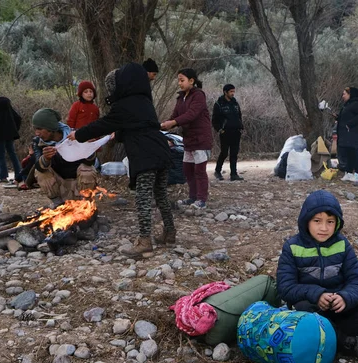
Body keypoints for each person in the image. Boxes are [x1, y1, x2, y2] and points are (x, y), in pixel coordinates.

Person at [70, 62, 175, 258]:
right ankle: (170, 233)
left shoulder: (124, 104)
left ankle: (145, 242)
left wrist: (79, 134)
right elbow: (135, 126)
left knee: (143, 198)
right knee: (160, 194)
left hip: (145, 155)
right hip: (160, 151)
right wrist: (115, 135)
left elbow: (104, 124)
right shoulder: (143, 101)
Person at [276, 190, 358, 362]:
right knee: (303, 310)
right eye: (317, 221)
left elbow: (357, 280)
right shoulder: (292, 247)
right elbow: (285, 288)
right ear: (306, 221)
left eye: (330, 221)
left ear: (337, 223)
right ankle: (348, 343)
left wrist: (345, 297)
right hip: (311, 308)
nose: (324, 228)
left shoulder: (342, 245)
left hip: (337, 308)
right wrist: (316, 294)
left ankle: (329, 336)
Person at [161, 68, 212, 209]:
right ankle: (192, 197)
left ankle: (202, 200)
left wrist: (173, 123)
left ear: (191, 81)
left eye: (182, 80)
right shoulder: (181, 98)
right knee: (187, 169)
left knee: (199, 170)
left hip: (201, 139)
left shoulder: (199, 96)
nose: (179, 83)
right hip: (189, 140)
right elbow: (175, 115)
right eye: (178, 80)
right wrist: (164, 125)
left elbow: (191, 114)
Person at [32, 108, 98, 207]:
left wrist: (89, 147)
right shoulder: (38, 142)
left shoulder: (76, 135)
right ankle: (58, 205)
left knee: (87, 169)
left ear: (51, 129)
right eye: (35, 129)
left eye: (40, 129)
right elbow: (38, 166)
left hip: (79, 186)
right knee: (40, 171)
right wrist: (46, 159)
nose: (37, 133)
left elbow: (90, 162)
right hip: (60, 187)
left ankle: (85, 203)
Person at [212, 84, 244, 181]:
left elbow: (239, 115)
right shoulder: (219, 104)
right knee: (224, 153)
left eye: (234, 91)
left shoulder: (235, 103)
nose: (233, 93)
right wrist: (220, 130)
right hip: (225, 133)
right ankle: (217, 171)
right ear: (225, 92)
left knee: (234, 153)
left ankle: (234, 174)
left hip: (236, 132)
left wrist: (240, 126)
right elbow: (214, 120)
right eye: (231, 92)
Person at [336, 87, 358, 183]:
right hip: (345, 134)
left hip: (353, 134)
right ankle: (348, 173)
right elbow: (345, 117)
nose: (343, 96)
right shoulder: (347, 105)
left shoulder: (357, 104)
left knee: (354, 153)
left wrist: (349, 124)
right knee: (347, 153)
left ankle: (357, 174)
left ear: (350, 94)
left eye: (344, 94)